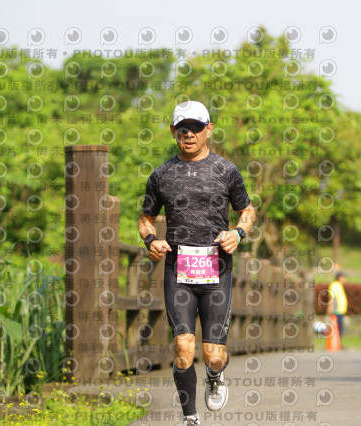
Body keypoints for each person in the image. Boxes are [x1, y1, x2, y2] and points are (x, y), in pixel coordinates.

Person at [138, 100, 256, 426]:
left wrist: (238, 233)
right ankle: (190, 417)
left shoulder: (226, 171)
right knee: (183, 346)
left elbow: (247, 211)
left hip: (217, 270)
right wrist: (151, 241)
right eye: (182, 128)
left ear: (209, 130)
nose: (189, 134)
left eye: (196, 128)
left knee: (213, 356)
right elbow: (146, 219)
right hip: (179, 271)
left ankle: (215, 376)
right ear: (173, 131)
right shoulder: (161, 175)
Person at [326, 272, 348, 340]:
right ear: (340, 278)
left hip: (340, 311)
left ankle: (338, 343)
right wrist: (330, 308)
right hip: (336, 311)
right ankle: (336, 343)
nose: (345, 279)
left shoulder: (339, 285)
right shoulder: (335, 285)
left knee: (339, 328)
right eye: (344, 278)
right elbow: (332, 297)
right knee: (337, 328)